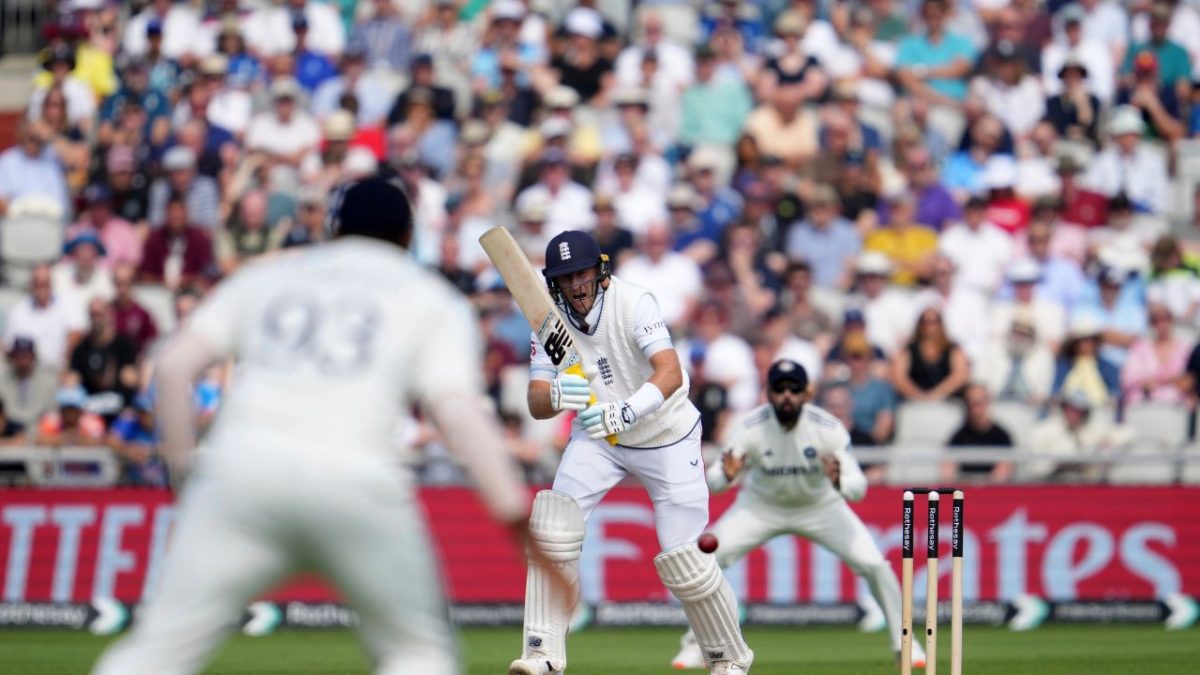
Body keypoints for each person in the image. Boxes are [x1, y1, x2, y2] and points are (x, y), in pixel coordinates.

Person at [90, 179, 563, 675]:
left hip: (242, 473)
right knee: (417, 654)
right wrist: (514, 518)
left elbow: (171, 369)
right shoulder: (432, 300)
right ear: (407, 237)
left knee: (156, 653)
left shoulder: (268, 277)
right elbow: (460, 414)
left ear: (334, 228)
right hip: (357, 478)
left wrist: (186, 479)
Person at [511, 230, 752, 675]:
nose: (576, 286)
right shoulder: (546, 323)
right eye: (565, 279)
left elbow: (671, 372)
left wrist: (628, 410)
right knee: (551, 528)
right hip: (600, 437)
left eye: (582, 274)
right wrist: (557, 394)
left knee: (686, 560)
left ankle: (728, 659)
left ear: (599, 272)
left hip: (667, 435)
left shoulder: (634, 302)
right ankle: (542, 654)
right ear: (553, 283)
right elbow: (535, 400)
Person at [672, 360, 925, 669]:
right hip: (760, 507)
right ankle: (697, 645)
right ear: (769, 392)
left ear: (807, 393)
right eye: (780, 389)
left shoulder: (827, 428)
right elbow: (714, 481)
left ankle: (906, 643)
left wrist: (838, 480)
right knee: (704, 562)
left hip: (821, 507)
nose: (787, 396)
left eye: (795, 389)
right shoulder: (750, 427)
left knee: (874, 564)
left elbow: (858, 488)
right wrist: (726, 475)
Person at [891, 307, 970, 401]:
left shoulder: (953, 349)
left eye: (933, 322)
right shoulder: (908, 350)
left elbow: (960, 375)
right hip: (914, 403)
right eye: (925, 321)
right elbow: (899, 378)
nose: (929, 326)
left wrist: (937, 394)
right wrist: (919, 396)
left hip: (948, 401)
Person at [944, 383, 1014, 483]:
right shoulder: (958, 436)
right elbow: (948, 471)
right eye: (970, 403)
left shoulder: (1001, 436)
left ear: (988, 402)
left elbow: (1004, 470)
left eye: (978, 403)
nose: (975, 409)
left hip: (993, 491)